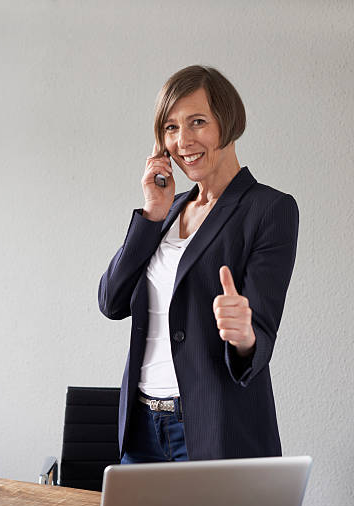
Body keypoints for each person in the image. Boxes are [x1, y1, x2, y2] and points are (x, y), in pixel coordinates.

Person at [98, 65, 299, 464]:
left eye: (197, 122)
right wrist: (151, 217)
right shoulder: (167, 211)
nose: (182, 140)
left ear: (227, 122)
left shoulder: (269, 209)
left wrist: (243, 333)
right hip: (141, 429)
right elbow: (111, 302)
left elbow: (257, 340)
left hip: (210, 429)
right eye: (170, 127)